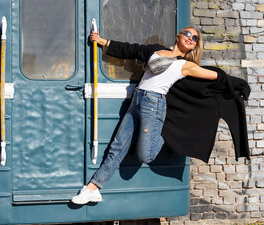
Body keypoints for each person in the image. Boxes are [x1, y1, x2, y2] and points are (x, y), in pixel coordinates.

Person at [71, 26, 218, 205]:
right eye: (188, 34)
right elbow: (131, 50)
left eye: (195, 39)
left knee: (145, 156)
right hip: (137, 100)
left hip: (154, 105)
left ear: (195, 46)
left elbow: (215, 76)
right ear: (179, 36)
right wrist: (102, 41)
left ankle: (168, 133)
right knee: (117, 147)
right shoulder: (156, 50)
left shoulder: (187, 65)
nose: (191, 38)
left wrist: (235, 84)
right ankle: (92, 189)